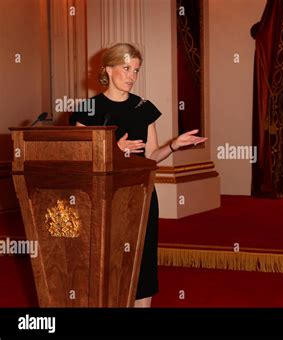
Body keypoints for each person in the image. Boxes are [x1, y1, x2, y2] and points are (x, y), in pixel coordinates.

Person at [70, 43, 207, 308]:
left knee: (142, 263)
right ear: (108, 69)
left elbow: (151, 157)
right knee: (108, 264)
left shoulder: (144, 108)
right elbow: (79, 160)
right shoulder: (88, 110)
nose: (132, 76)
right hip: (103, 200)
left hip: (141, 197)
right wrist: (112, 149)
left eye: (136, 70)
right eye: (126, 68)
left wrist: (173, 145)